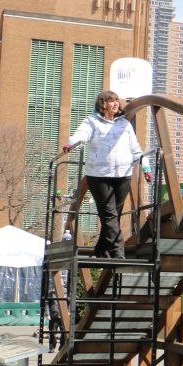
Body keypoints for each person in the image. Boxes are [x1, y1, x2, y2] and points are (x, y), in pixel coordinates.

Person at [64, 91, 149, 259]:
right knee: (109, 215)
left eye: (117, 100)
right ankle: (118, 253)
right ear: (103, 104)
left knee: (113, 216)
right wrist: (72, 143)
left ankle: (101, 250)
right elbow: (82, 134)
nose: (116, 103)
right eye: (111, 101)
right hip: (99, 175)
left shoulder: (124, 124)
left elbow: (135, 149)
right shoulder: (92, 121)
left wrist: (145, 166)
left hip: (123, 175)